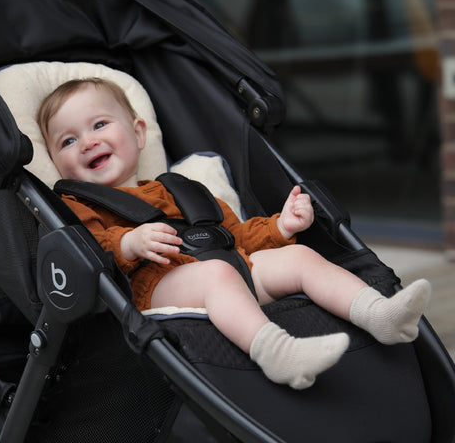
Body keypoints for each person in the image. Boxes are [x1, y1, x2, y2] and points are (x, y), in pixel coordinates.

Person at [37, 77, 431, 390]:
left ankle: (378, 313)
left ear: (139, 133)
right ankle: (278, 353)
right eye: (68, 141)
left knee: (296, 257)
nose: (88, 142)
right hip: (156, 291)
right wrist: (127, 243)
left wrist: (281, 226)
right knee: (217, 274)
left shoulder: (183, 189)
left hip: (229, 269)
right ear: (55, 162)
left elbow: (235, 236)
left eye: (100, 125)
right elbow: (85, 251)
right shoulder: (78, 205)